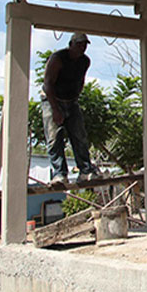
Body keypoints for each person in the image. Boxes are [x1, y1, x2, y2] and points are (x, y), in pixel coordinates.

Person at [42, 32, 101, 184]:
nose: (82, 48)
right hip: (52, 99)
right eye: (79, 44)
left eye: (84, 45)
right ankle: (59, 174)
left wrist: (73, 101)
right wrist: (55, 109)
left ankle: (85, 170)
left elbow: (80, 81)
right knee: (54, 138)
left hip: (71, 100)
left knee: (79, 135)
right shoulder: (57, 59)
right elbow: (47, 84)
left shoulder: (85, 61)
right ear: (71, 44)